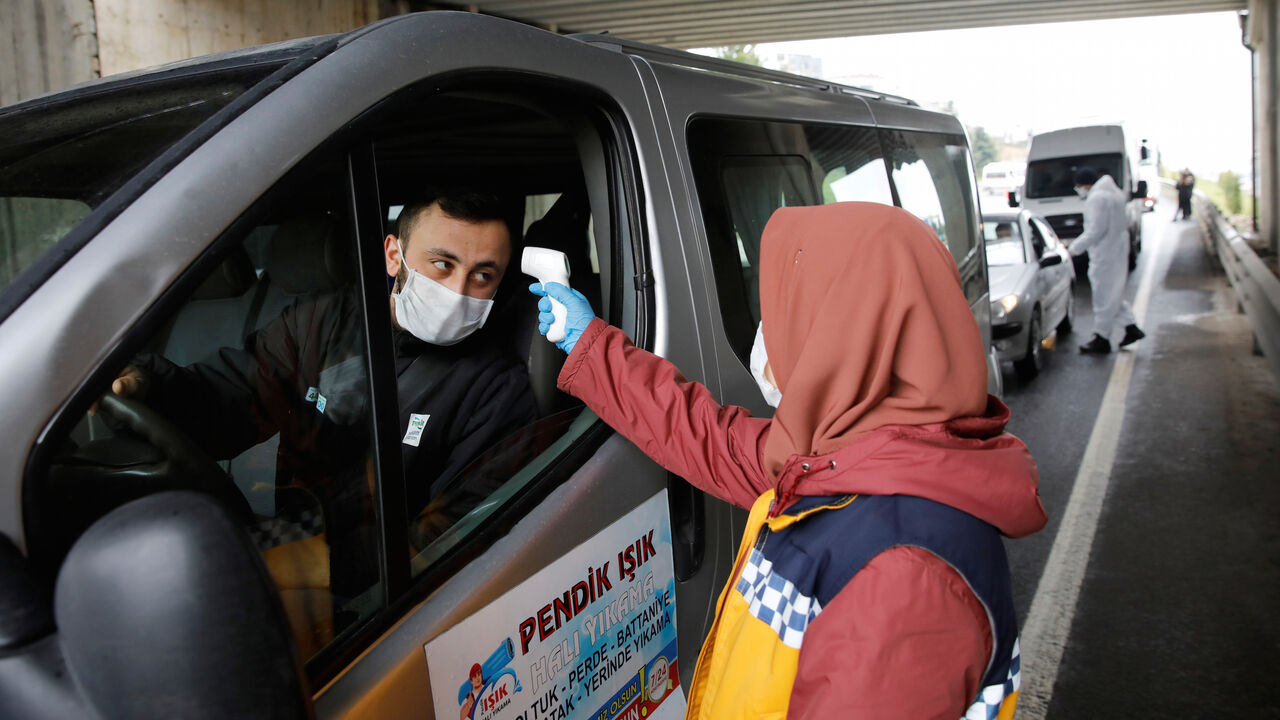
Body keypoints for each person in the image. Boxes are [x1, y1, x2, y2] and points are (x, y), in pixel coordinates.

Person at [530, 202, 1047, 719]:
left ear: (838, 336)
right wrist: (590, 346)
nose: (766, 338)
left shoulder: (906, 580)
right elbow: (711, 437)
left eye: (780, 316)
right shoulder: (851, 458)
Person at [110, 190, 537, 571]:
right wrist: (150, 385)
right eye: (442, 264)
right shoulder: (322, 322)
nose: (458, 290)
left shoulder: (498, 390)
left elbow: (445, 540)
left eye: (483, 276)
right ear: (394, 255)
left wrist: (306, 564)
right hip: (292, 543)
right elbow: (232, 397)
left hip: (377, 598)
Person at [1065, 167, 1145, 354]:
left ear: (1085, 184)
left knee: (1103, 297)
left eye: (1078, 186)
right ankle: (1131, 327)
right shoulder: (1115, 194)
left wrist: (1073, 249)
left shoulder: (1097, 198)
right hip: (1116, 251)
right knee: (1112, 295)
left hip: (1104, 254)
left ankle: (1102, 338)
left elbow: (1095, 230)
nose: (1079, 190)